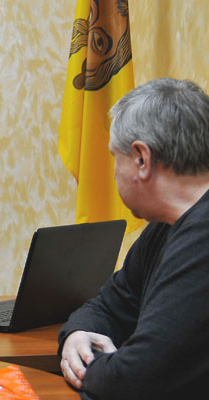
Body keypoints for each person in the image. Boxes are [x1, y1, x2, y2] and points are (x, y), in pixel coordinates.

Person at [58, 78, 209, 399]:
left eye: (115, 156)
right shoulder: (166, 224)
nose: (114, 171)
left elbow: (137, 379)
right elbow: (110, 305)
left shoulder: (203, 237)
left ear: (141, 159)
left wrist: (86, 366)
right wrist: (78, 335)